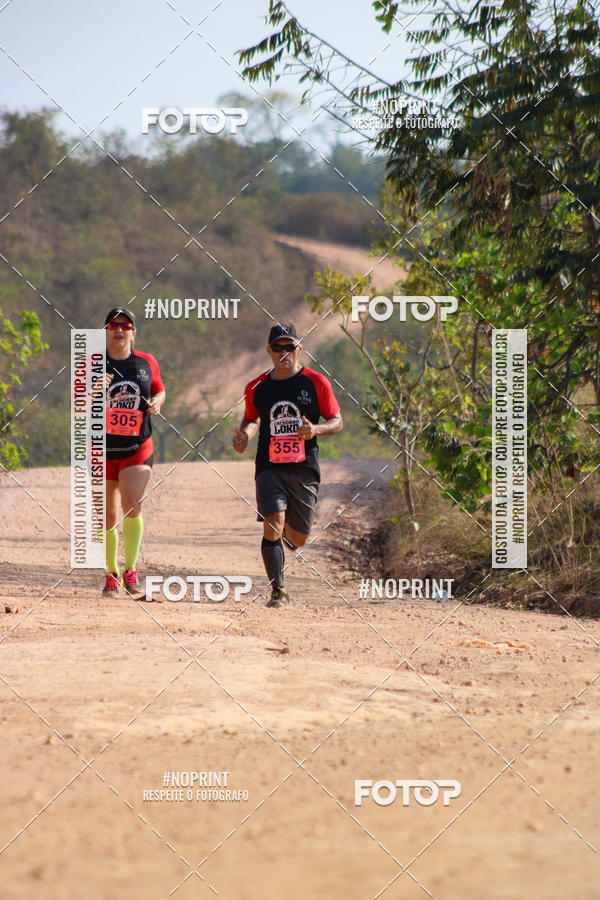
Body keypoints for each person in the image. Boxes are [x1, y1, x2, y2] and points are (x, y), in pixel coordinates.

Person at [233, 323, 343, 607]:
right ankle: (278, 590)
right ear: (268, 350)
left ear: (299, 349)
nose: (284, 353)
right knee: (273, 524)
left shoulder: (316, 383)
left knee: (298, 539)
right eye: (278, 347)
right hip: (268, 467)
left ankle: (285, 532)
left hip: (304, 469)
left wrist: (315, 430)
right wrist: (244, 435)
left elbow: (336, 421)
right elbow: (251, 418)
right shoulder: (256, 386)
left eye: (289, 347)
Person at [102, 307, 166, 595]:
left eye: (125, 326)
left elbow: (160, 389)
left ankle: (130, 571)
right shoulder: (91, 364)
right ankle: (111, 573)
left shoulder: (146, 362)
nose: (119, 330)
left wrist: (158, 401)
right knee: (108, 515)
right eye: (113, 326)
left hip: (137, 446)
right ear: (105, 332)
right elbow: (74, 408)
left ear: (133, 333)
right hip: (102, 449)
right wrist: (92, 390)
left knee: (132, 503)